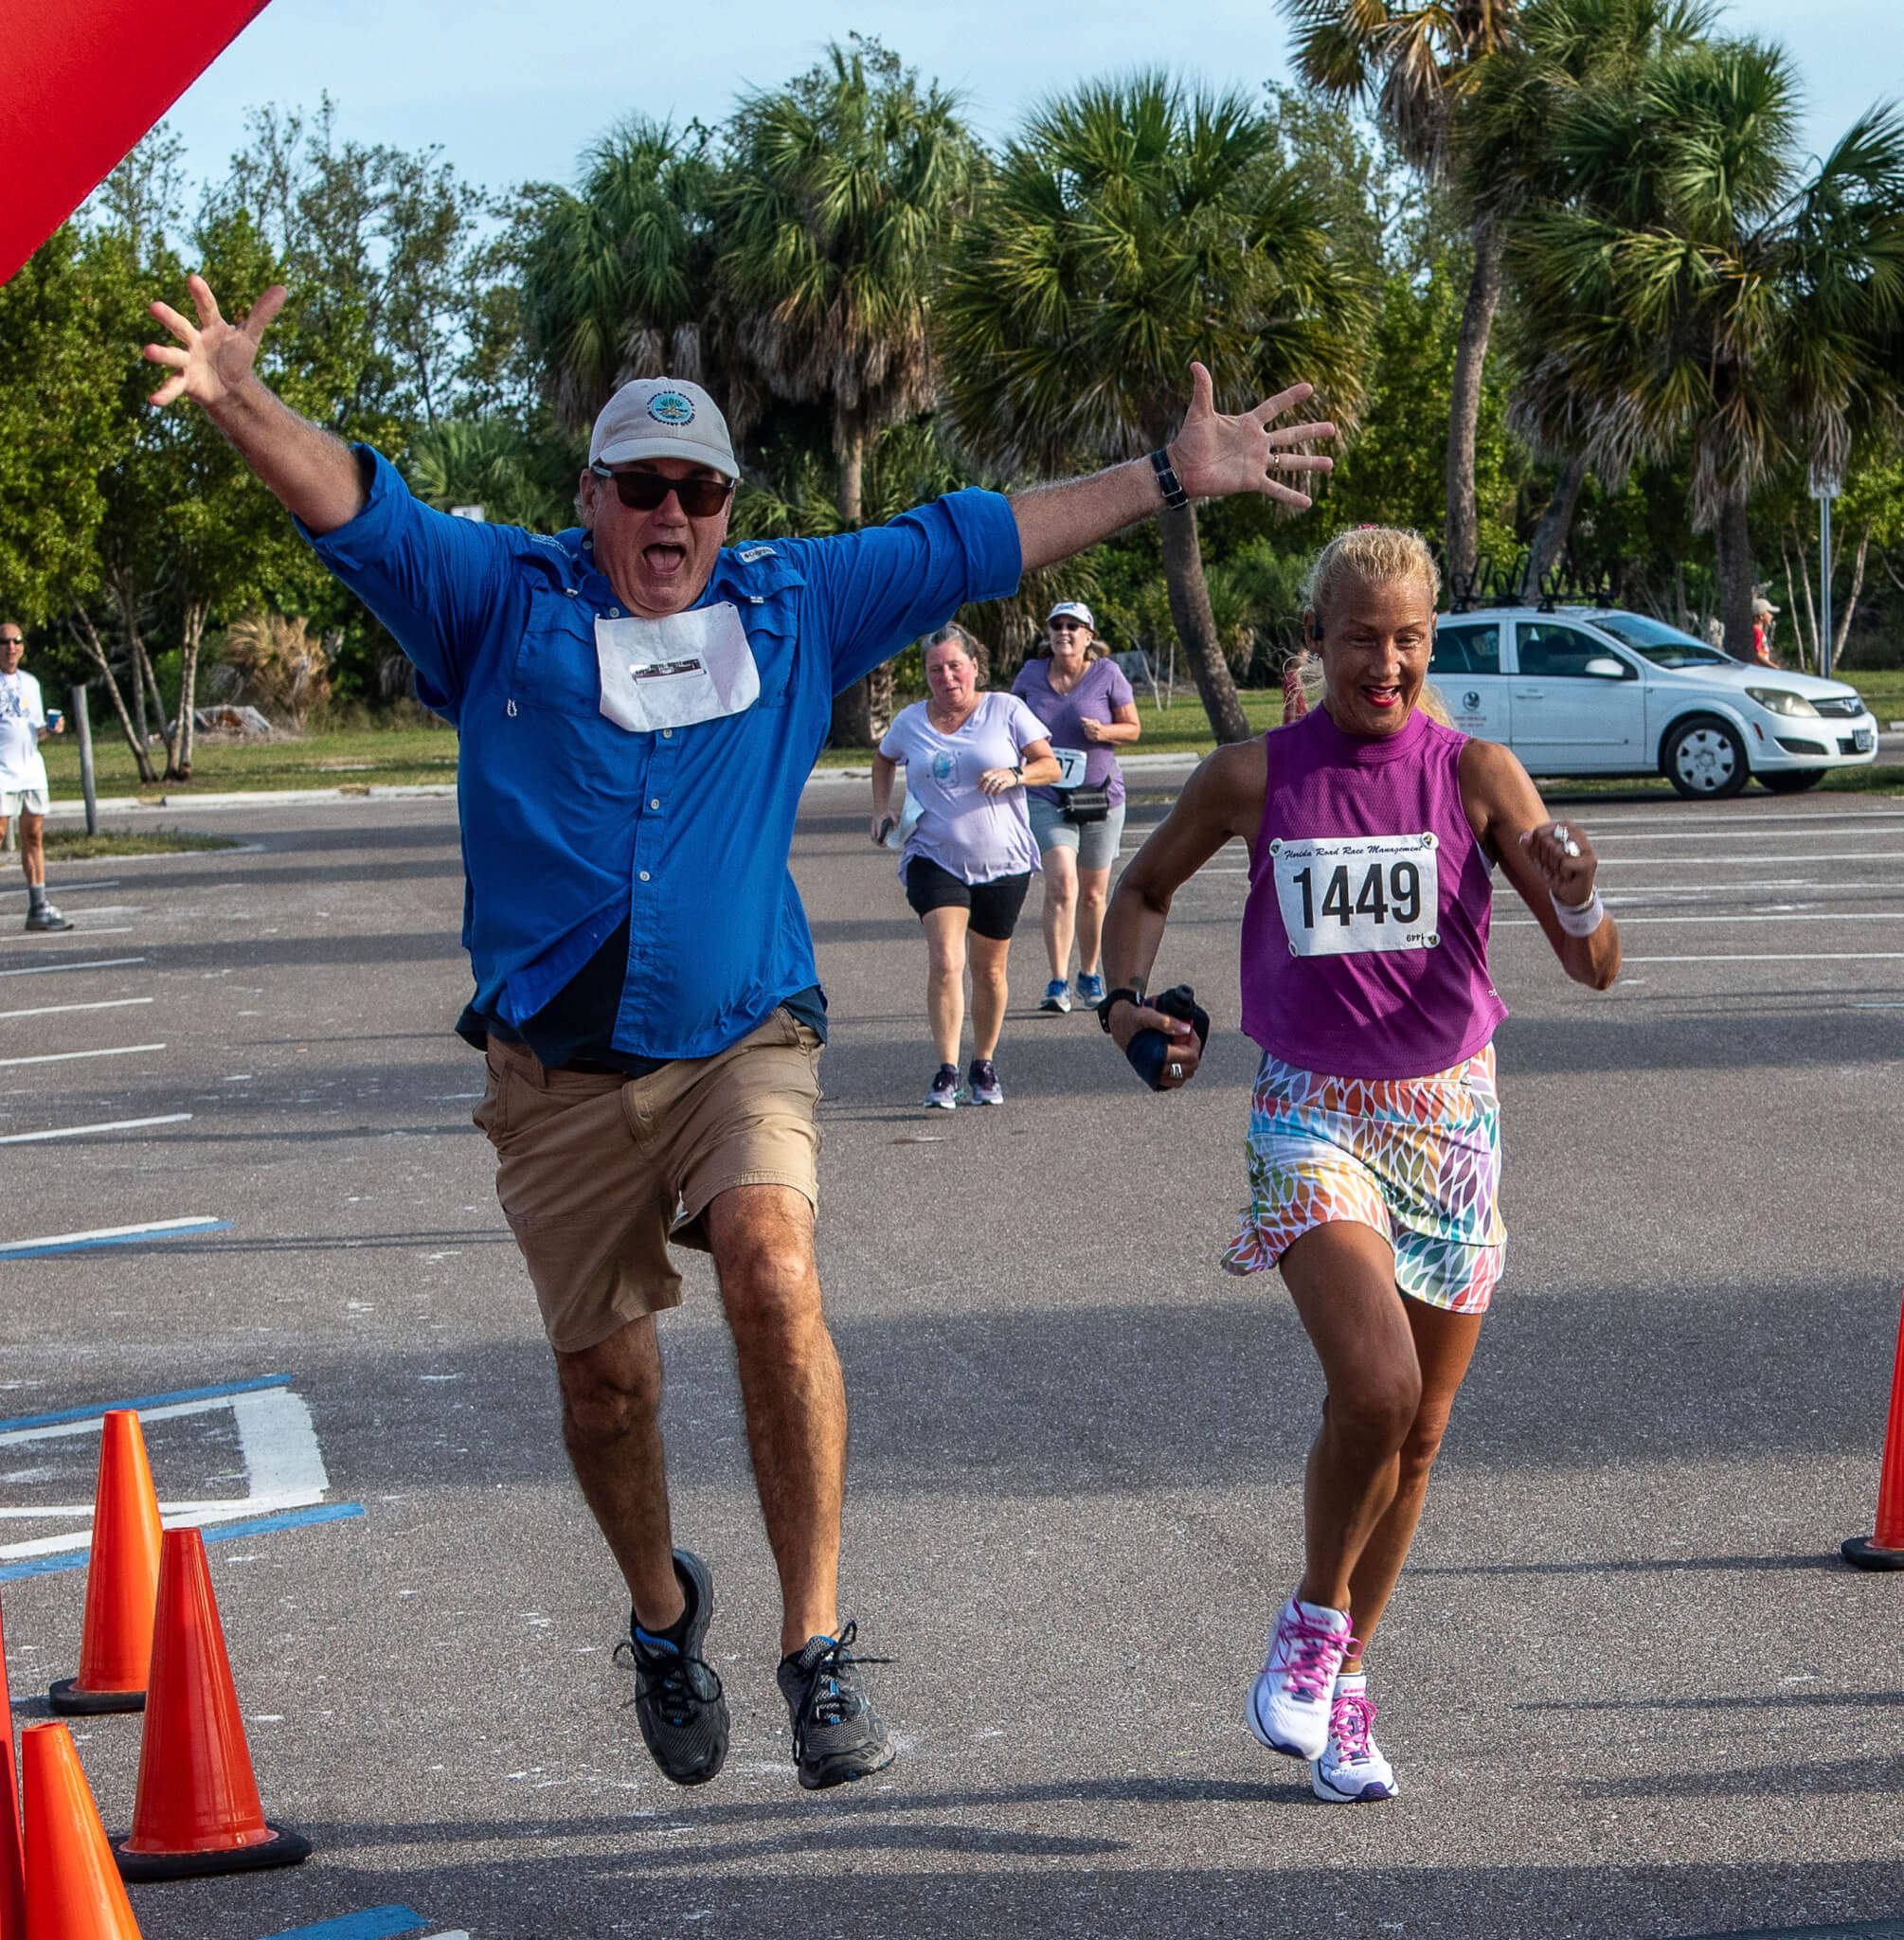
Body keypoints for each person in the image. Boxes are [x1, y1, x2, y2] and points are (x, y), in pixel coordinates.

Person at [145, 271, 1338, 1794]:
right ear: (590, 497)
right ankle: (661, 1614)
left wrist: (1172, 472)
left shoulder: (788, 600)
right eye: (639, 487)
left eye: (696, 491)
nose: (671, 515)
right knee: (609, 1386)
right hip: (558, 1071)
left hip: (738, 1038)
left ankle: (815, 1649)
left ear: (724, 506)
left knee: (774, 1267)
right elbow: (359, 511)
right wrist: (243, 392)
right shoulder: (497, 598)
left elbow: (978, 533)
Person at [1096, 526, 1620, 1805]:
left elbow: (1590, 965)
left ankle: (1341, 1686)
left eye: (1406, 639)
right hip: (1310, 1113)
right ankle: (1310, 1626)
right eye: (1357, 636)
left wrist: (1581, 895)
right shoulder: (1253, 776)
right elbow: (1144, 883)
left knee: (1423, 1434)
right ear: (1317, 639)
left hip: (1448, 1118)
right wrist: (1123, 1004)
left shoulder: (1479, 773)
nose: (1382, 661)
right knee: (1377, 1390)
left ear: (1426, 641)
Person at [872, 626, 1059, 1107]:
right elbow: (883, 759)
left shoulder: (1005, 710)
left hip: (1005, 861)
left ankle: (984, 1062)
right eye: (936, 669)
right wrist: (881, 808)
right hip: (933, 858)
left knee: (990, 971)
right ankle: (947, 1069)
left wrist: (1015, 773)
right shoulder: (911, 721)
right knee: (947, 959)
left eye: (955, 665)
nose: (947, 676)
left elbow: (1050, 765)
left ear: (975, 665)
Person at [1011, 602, 1141, 1015]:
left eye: (1073, 626)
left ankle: (1088, 974)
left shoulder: (1107, 674)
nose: (1064, 632)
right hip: (1047, 796)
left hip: (1100, 797)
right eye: (1057, 626)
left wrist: (1105, 732)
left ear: (1089, 635)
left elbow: (1133, 728)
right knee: (1062, 883)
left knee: (1093, 894)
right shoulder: (1032, 674)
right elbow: (1008, 722)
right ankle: (1057, 981)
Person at [0, 623, 71, 933]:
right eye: (4, 642)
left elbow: (35, 729)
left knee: (34, 837)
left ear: (22, 646)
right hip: (2, 771)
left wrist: (52, 729)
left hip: (31, 770)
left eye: (16, 641)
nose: (11, 646)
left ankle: (38, 907)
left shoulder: (31, 683)